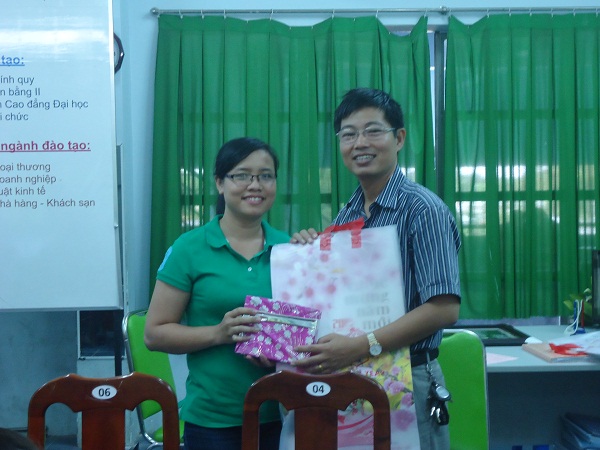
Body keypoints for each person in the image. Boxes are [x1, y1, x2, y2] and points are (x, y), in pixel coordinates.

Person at [291, 88, 461, 449]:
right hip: (354, 375)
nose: (360, 143)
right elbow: (340, 298)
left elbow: (444, 308)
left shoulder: (423, 209)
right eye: (348, 134)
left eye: (372, 131)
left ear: (399, 138)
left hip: (409, 376)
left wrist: (360, 345)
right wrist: (309, 252)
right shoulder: (348, 213)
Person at [145, 137, 290, 450]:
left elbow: (306, 331)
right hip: (213, 420)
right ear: (220, 183)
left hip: (281, 414)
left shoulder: (290, 249)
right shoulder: (189, 249)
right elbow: (154, 334)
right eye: (242, 175)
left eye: (266, 176)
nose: (255, 185)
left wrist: (279, 352)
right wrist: (218, 333)